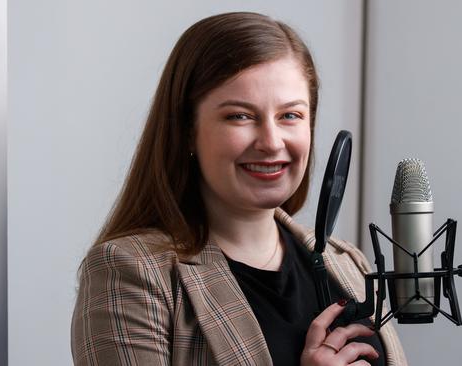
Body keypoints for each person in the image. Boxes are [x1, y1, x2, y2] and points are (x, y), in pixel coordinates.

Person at [71, 12, 407, 366]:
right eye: (239, 116)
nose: (271, 142)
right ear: (187, 130)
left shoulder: (347, 262)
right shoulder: (130, 272)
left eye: (290, 115)